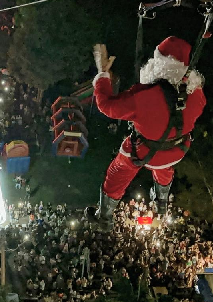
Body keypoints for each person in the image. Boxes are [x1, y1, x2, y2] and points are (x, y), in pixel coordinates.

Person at [86, 37, 206, 231]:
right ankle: (161, 202)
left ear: (159, 65)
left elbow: (107, 106)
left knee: (118, 171)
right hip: (177, 150)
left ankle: (105, 217)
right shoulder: (197, 95)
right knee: (165, 166)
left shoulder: (145, 96)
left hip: (144, 151)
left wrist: (102, 74)